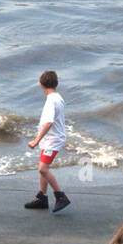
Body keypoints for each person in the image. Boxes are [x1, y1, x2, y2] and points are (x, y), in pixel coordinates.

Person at [24, 70, 71, 213]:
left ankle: (61, 196)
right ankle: (42, 198)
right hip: (50, 138)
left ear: (41, 84)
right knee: (43, 169)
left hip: (53, 139)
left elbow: (49, 122)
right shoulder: (57, 96)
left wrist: (36, 140)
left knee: (42, 169)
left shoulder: (51, 100)